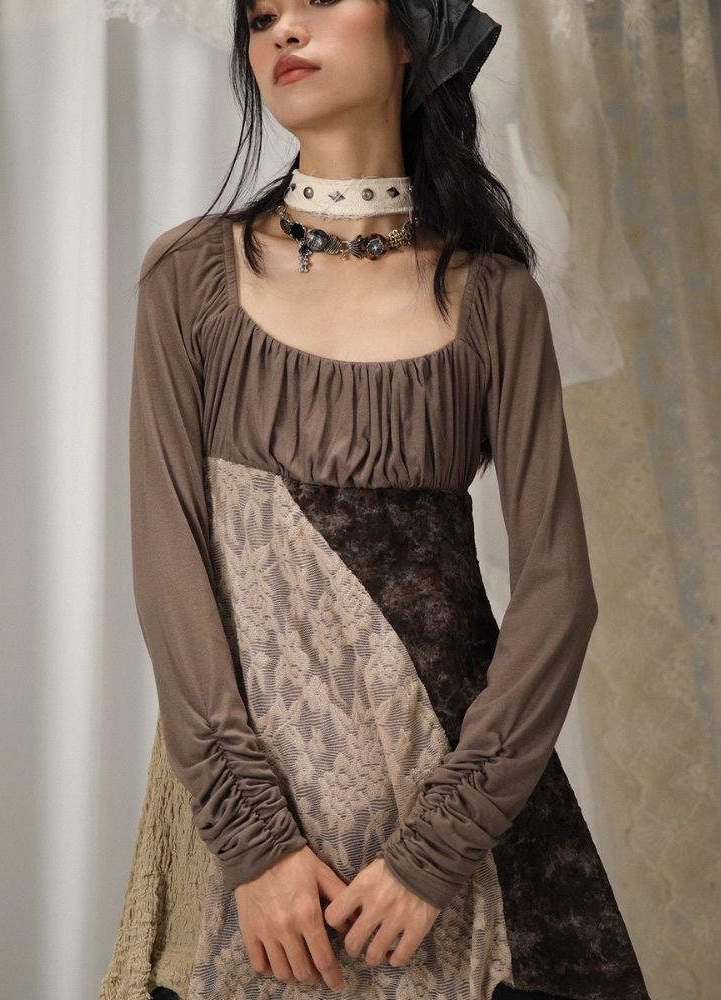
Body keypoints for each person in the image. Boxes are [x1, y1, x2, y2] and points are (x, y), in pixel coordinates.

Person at [99, 1, 653, 998]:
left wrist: (440, 847)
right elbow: (167, 559)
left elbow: (559, 591)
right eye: (261, 15)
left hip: (456, 839)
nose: (282, 30)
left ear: (411, 35)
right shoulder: (188, 276)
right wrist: (255, 843)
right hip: (262, 857)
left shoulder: (497, 299)